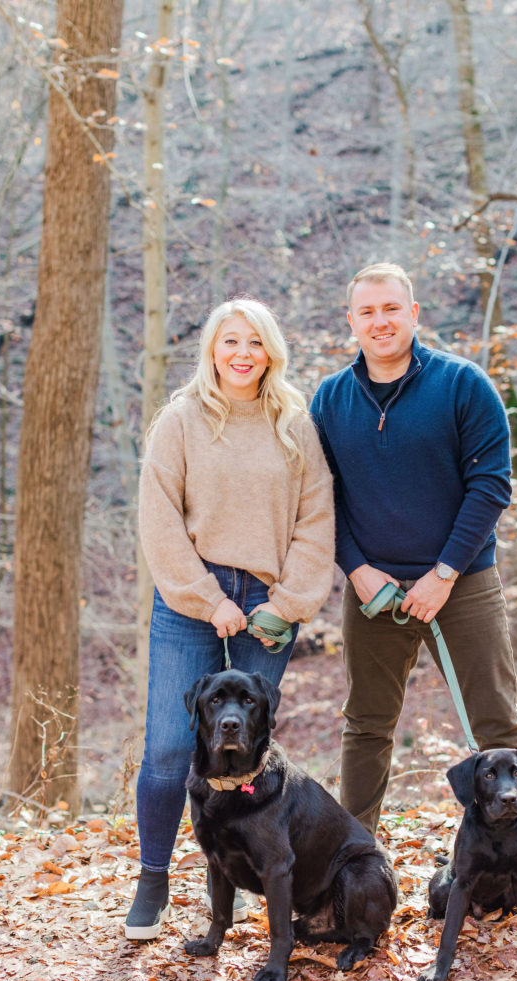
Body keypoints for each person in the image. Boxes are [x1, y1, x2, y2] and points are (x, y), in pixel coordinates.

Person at [309, 263, 517, 927]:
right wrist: (354, 568)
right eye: (365, 311)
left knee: (500, 726)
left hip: (460, 582)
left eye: (390, 308)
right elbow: (320, 498)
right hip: (373, 589)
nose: (379, 321)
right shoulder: (327, 401)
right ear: (349, 322)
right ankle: (348, 881)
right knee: (365, 729)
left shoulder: (462, 385)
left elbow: (492, 483)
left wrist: (443, 573)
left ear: (413, 312)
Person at [126, 297, 335, 940]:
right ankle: (154, 878)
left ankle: (256, 879)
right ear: (211, 350)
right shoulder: (181, 421)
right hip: (193, 599)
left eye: (254, 342)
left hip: (269, 602)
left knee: (250, 751)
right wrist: (206, 597)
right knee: (169, 744)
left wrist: (287, 603)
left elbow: (315, 520)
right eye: (229, 342)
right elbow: (159, 520)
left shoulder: (294, 423)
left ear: (271, 350)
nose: (242, 354)